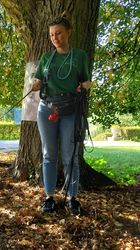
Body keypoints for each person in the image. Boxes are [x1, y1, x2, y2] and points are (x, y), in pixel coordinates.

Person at [31, 14, 91, 215]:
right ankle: (49, 197)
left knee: (70, 156)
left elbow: (87, 81)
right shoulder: (47, 58)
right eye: (51, 35)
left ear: (68, 33)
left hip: (70, 110)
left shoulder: (80, 55)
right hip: (47, 108)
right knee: (49, 154)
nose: (55, 38)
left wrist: (85, 85)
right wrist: (36, 84)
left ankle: (73, 197)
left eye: (58, 33)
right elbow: (38, 79)